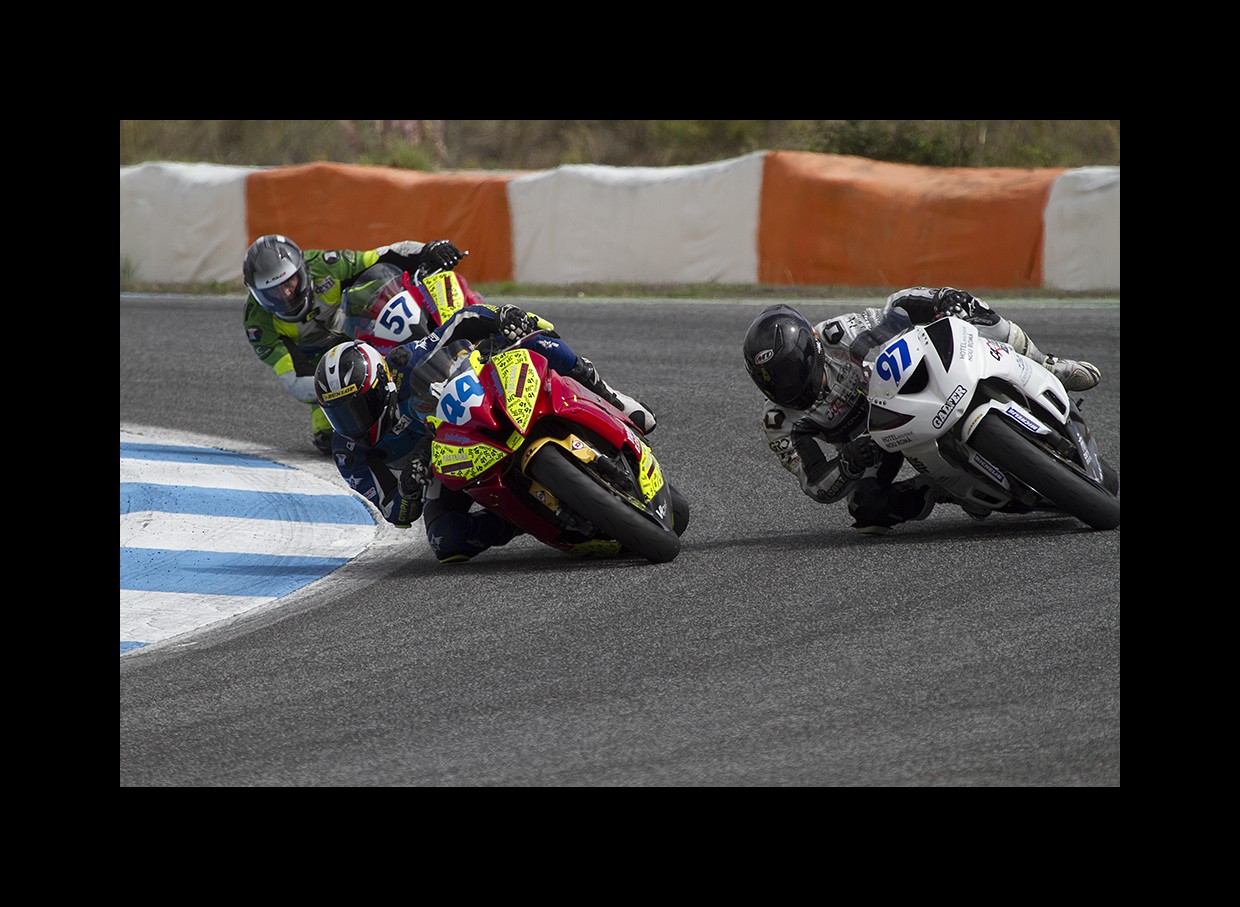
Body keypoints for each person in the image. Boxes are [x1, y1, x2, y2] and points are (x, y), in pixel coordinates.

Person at [741, 286, 1102, 534]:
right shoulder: (779, 422)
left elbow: (893, 313)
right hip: (876, 443)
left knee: (951, 304)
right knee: (866, 510)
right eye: (773, 382)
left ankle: (1046, 363)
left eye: (791, 373)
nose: (787, 388)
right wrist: (850, 461)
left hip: (904, 385)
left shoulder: (837, 334)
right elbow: (815, 484)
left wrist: (941, 304)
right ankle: (937, 488)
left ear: (812, 348)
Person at [314, 302, 657, 563]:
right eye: (340, 414)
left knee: (539, 343)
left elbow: (460, 323)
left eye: (357, 407)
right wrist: (408, 485)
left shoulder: (403, 362)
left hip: (480, 404)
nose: (352, 422)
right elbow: (396, 514)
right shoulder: (349, 453)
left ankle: (610, 397)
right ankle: (516, 517)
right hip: (443, 464)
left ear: (380, 385)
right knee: (446, 543)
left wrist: (500, 317)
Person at [242, 233, 467, 455]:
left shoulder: (324, 265)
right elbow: (297, 381)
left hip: (358, 333)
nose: (286, 294)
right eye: (273, 291)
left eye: (289, 282)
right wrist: (354, 384)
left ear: (302, 271)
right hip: (325, 371)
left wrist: (427, 250)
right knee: (345, 439)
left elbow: (383, 256)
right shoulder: (259, 324)